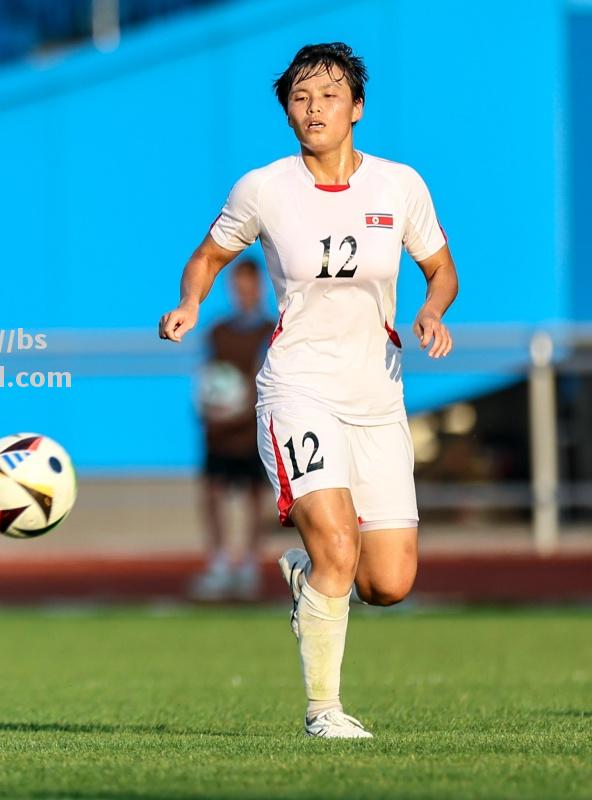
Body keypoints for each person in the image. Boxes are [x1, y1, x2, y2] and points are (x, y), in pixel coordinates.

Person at [159, 43, 457, 738]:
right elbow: (208, 255)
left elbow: (442, 269)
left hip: (377, 397)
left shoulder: (399, 185)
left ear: (356, 107)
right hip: (298, 387)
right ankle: (324, 712)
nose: (313, 107)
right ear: (287, 111)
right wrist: (189, 302)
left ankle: (310, 578)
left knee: (388, 584)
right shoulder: (264, 188)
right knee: (337, 548)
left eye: (328, 95)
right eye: (299, 96)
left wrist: (434, 309)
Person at [192, 259, 274, 600]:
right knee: (212, 493)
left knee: (255, 496)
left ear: (259, 287)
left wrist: (243, 407)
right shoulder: (218, 331)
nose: (243, 293)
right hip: (219, 431)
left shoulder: (271, 329)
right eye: (237, 286)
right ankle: (221, 561)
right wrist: (207, 406)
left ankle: (250, 565)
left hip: (252, 429)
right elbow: (210, 376)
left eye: (249, 286)